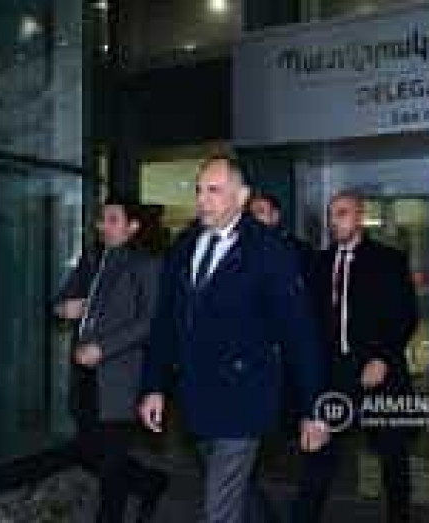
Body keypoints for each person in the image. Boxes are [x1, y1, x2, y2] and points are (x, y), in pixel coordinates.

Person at [138, 156, 329, 523]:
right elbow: (165, 323)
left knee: (219, 509)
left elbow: (299, 332)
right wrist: (154, 385)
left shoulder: (269, 250)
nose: (202, 200)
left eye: (214, 190)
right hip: (196, 399)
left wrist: (313, 409)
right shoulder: (184, 245)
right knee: (240, 492)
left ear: (241, 197)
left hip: (246, 399)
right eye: (199, 191)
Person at [292, 191, 418, 523]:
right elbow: (309, 324)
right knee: (319, 459)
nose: (334, 221)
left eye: (342, 213)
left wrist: (383, 357)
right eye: (331, 215)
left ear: (360, 217)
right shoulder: (318, 264)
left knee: (393, 458)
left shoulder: (389, 260)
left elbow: (405, 316)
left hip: (380, 374)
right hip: (335, 376)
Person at [54, 199, 169, 523]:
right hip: (85, 375)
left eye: (112, 219)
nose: (101, 225)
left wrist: (103, 348)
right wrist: (62, 308)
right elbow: (61, 298)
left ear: (132, 227)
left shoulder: (145, 265)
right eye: (101, 219)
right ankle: (149, 483)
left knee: (111, 464)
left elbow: (150, 321)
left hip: (121, 377)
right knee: (88, 452)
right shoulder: (91, 261)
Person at [248, 192, 314, 276]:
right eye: (251, 214)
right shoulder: (242, 249)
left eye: (260, 211)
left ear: (275, 216)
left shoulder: (298, 250)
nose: (255, 217)